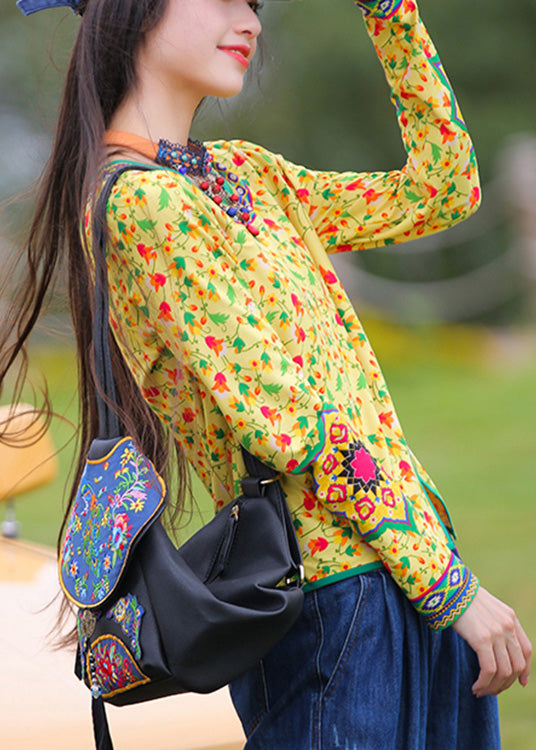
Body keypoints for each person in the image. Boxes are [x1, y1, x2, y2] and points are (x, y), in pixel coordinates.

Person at [4, 0, 531, 747]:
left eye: (255, 3)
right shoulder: (144, 206)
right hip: (336, 607)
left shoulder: (246, 174)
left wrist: (389, 15)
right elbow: (292, 429)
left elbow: (442, 189)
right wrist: (448, 587)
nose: (249, 19)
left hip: (406, 579)